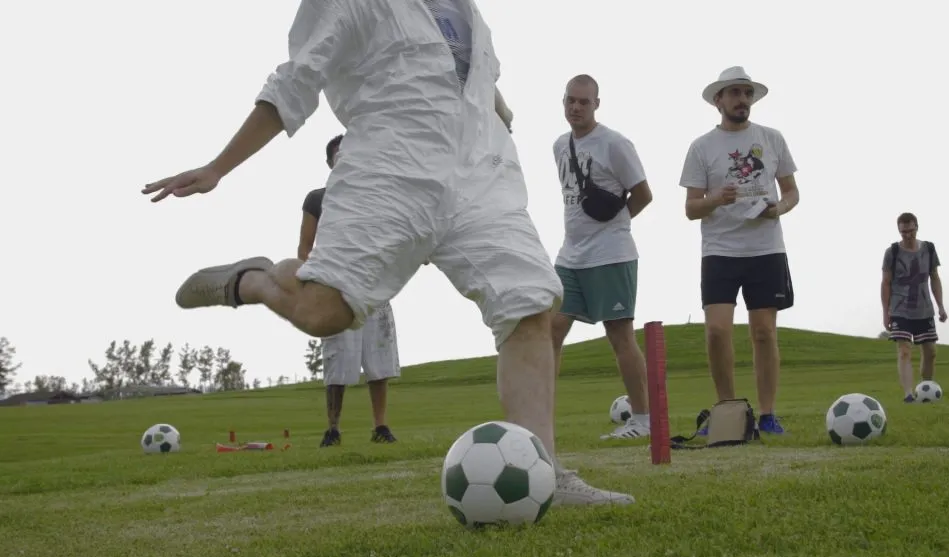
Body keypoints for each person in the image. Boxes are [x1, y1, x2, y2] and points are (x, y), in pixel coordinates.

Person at [140, 0, 632, 506]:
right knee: (323, 312)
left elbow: (465, 73)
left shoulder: (466, 9)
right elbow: (296, 80)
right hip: (392, 167)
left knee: (528, 301)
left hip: (481, 176)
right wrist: (220, 166)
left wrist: (498, 110)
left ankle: (542, 473)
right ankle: (254, 279)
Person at [678, 66, 801, 435]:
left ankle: (767, 415)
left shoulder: (772, 138)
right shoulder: (701, 147)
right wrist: (715, 198)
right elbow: (690, 208)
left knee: (764, 332)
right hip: (719, 251)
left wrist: (778, 208)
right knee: (716, 331)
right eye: (734, 93)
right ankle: (728, 412)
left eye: (746, 93)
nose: (742, 100)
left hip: (765, 248)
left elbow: (792, 191)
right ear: (719, 101)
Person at [550, 74, 654, 440]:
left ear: (596, 104)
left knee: (620, 335)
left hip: (611, 253)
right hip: (570, 255)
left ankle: (643, 419)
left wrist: (614, 225)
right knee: (551, 329)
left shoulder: (614, 143)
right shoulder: (560, 145)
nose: (576, 107)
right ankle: (540, 417)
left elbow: (643, 194)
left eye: (583, 101)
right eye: (570, 100)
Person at [301, 134, 400, 446]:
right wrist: (314, 281)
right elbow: (305, 247)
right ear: (330, 162)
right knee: (338, 360)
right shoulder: (317, 198)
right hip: (335, 289)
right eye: (338, 154)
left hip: (373, 287)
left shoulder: (377, 195)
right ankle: (333, 428)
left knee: (379, 359)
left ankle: (380, 427)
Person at [881, 212, 947, 402]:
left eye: (910, 231)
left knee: (931, 351)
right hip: (900, 308)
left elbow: (934, 277)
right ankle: (909, 394)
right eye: (903, 232)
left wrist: (941, 306)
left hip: (924, 308)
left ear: (917, 227)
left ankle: (926, 388)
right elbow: (885, 283)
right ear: (899, 231)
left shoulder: (929, 249)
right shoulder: (892, 252)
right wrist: (886, 313)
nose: (907, 235)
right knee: (904, 350)